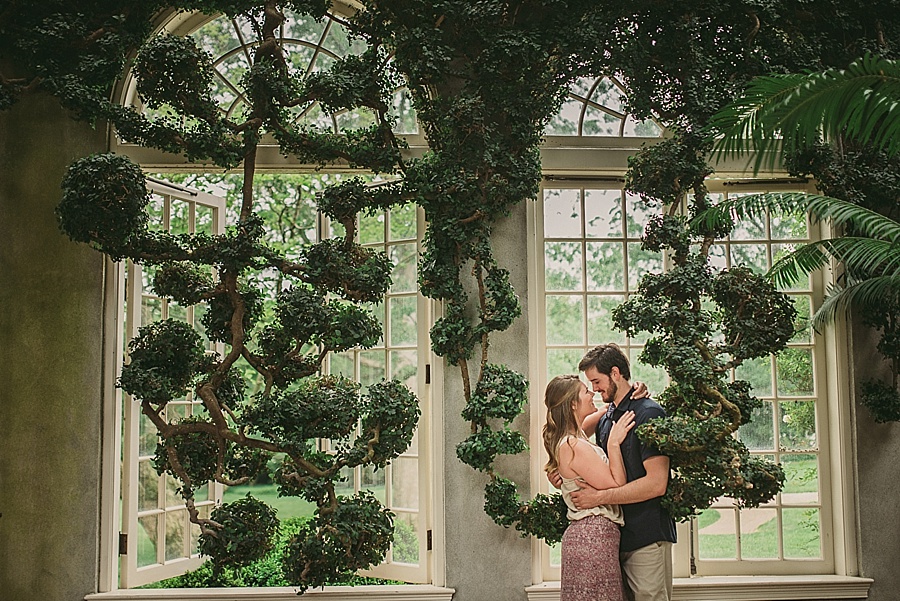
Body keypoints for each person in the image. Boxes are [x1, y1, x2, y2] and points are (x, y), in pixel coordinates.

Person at [567, 343, 677, 601]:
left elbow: (657, 484)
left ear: (615, 373)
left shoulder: (649, 413)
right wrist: (560, 471)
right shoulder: (608, 417)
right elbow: (569, 435)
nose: (594, 389)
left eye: (597, 381)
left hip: (647, 536)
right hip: (617, 538)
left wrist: (598, 498)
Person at [543, 374, 636, 601]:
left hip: (592, 537)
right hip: (592, 538)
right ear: (573, 403)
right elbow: (617, 486)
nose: (592, 393)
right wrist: (613, 443)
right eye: (586, 391)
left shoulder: (574, 438)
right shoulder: (573, 445)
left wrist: (631, 392)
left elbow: (605, 410)